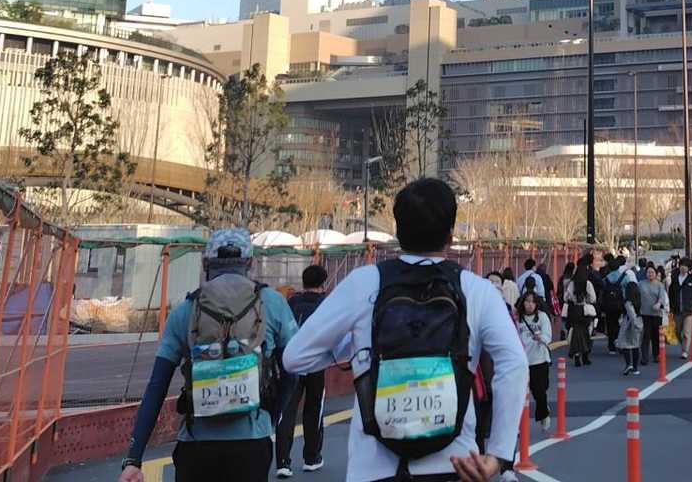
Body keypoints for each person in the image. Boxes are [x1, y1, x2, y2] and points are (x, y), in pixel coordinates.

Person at [281, 179, 525, 482]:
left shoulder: (363, 282)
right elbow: (514, 364)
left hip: (373, 470)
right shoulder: (476, 290)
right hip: (456, 466)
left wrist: (355, 350)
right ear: (450, 234)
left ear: (398, 232)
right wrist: (498, 455)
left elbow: (295, 357)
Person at [120, 228, 298, 482]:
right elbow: (294, 370)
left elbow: (157, 386)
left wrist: (134, 458)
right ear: (250, 262)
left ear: (205, 264)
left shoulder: (186, 310)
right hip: (251, 442)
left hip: (196, 444)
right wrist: (273, 414)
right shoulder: (273, 303)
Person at [274, 264, 331, 478]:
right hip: (316, 363)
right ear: (323, 284)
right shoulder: (326, 304)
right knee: (314, 409)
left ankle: (283, 462)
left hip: (291, 363)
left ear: (303, 282)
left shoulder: (291, 303)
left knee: (287, 410)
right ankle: (311, 458)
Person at [515, 292, 554, 425]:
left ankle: (544, 414)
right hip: (522, 360)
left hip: (539, 359)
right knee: (519, 392)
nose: (530, 304)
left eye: (532, 302)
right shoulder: (517, 319)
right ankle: (518, 423)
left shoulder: (542, 317)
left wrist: (541, 338)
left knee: (539, 390)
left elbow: (548, 336)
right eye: (527, 301)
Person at [565, 253, 599, 366]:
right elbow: (593, 298)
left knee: (576, 333)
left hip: (575, 310)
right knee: (586, 333)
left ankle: (576, 354)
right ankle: (585, 355)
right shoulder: (587, 284)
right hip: (585, 311)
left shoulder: (572, 283)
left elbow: (566, 297)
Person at [638, 264, 668, 367]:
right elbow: (637, 296)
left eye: (652, 272)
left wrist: (659, 304)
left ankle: (656, 355)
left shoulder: (660, 285)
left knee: (656, 336)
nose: (650, 274)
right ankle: (644, 357)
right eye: (648, 272)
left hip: (656, 314)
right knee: (646, 336)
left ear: (655, 274)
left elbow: (662, 297)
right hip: (644, 313)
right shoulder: (640, 284)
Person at [615, 274, 643, 376]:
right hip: (639, 321)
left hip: (629, 324)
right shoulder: (639, 300)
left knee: (625, 344)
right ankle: (635, 367)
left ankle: (628, 364)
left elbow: (631, 314)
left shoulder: (628, 302)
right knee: (636, 345)